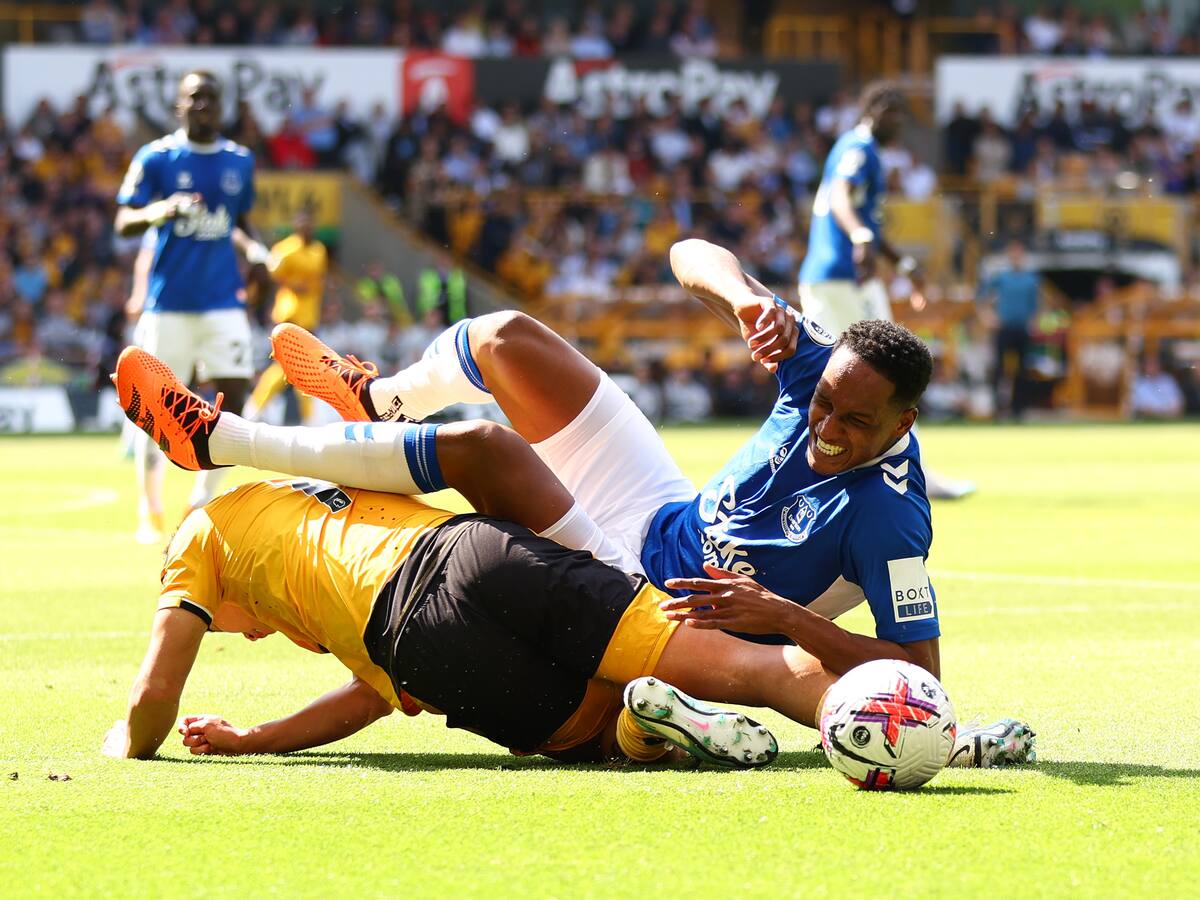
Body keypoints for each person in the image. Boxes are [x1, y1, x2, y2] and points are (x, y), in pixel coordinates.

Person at [100, 471, 829, 769]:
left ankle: (642, 726)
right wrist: (254, 737)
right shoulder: (289, 495)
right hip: (478, 548)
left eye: (227, 626)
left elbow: (154, 696)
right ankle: (884, 717)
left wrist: (129, 742)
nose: (253, 634)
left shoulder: (196, 540)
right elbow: (366, 697)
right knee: (746, 664)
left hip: (418, 635)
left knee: (600, 739)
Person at [114, 69, 270, 543]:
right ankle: (149, 507)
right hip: (168, 305)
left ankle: (201, 500)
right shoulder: (157, 157)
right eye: (195, 97)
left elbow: (237, 222)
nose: (203, 105)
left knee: (235, 399)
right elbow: (123, 221)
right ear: (179, 106)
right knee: (155, 407)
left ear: (222, 107)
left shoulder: (239, 160)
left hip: (223, 301)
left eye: (211, 98)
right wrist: (161, 210)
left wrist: (254, 251)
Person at [797, 84, 973, 500]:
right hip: (844, 279)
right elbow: (841, 198)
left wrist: (904, 265)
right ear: (872, 109)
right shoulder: (859, 148)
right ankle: (913, 474)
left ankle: (812, 470)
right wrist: (859, 236)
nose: (898, 123)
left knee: (824, 375)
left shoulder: (857, 149)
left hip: (830, 279)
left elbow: (868, 227)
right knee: (889, 372)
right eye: (892, 113)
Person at [243, 209, 328, 423]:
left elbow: (320, 278)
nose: (306, 229)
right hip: (290, 312)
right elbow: (272, 273)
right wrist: (292, 283)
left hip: (309, 315)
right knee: (291, 366)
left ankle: (260, 408)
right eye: (302, 225)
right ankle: (257, 407)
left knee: (302, 367)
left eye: (309, 225)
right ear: (296, 227)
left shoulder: (319, 250)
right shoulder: (286, 249)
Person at [977, 240, 1040, 420]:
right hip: (1004, 328)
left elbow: (1035, 305)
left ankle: (1018, 408)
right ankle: (998, 407)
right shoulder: (1001, 277)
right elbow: (982, 296)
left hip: (1022, 328)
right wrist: (987, 316)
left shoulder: (1031, 279)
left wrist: (1033, 322)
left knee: (1022, 370)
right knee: (999, 368)